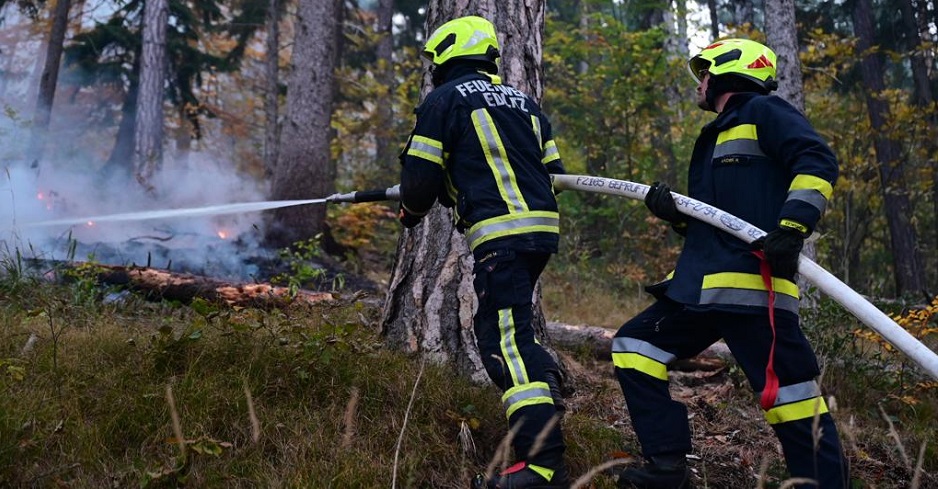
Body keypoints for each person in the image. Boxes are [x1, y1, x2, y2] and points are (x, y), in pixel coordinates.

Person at [613, 39, 850, 489]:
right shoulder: (716, 135)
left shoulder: (765, 111)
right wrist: (677, 217)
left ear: (726, 72)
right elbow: (719, 217)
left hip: (754, 288)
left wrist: (793, 227)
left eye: (704, 73)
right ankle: (667, 468)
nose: (699, 83)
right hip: (701, 290)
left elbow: (817, 162)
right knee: (635, 346)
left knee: (793, 400)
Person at [396, 15, 570, 489]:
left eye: (433, 61)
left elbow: (420, 179)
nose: (432, 70)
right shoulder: (526, 103)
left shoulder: (444, 100)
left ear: (449, 54)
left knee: (504, 344)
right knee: (516, 333)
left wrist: (411, 211)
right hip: (539, 233)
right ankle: (548, 379)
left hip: (500, 235)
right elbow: (554, 174)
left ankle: (541, 467)